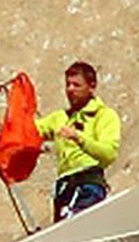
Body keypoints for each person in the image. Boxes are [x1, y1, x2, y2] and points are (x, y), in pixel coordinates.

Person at [36, 61, 120, 219]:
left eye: (76, 85)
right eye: (68, 85)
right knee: (63, 235)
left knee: (75, 227)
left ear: (91, 86)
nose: (70, 90)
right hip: (64, 188)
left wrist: (79, 138)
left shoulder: (104, 115)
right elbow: (32, 131)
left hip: (88, 184)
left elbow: (109, 154)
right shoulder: (60, 117)